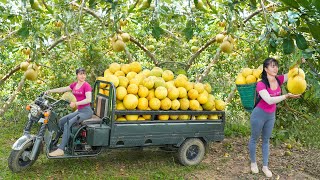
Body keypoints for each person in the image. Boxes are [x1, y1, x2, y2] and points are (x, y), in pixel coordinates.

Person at [248, 57, 302, 178]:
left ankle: (265, 166)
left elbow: (292, 72)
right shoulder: (260, 84)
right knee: (254, 138)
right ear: (266, 69)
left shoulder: (279, 80)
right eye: (272, 66)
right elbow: (269, 100)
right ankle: (253, 162)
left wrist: (299, 60)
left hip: (270, 116)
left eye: (276, 65)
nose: (275, 68)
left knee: (266, 140)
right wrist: (286, 96)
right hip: (259, 114)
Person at [46, 68, 93, 157]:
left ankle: (61, 149)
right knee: (61, 121)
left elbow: (88, 99)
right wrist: (50, 91)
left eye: (84, 74)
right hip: (79, 111)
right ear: (77, 75)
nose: (83, 76)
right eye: (80, 74)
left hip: (86, 112)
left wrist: (76, 103)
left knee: (68, 125)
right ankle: (57, 142)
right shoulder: (75, 85)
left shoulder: (86, 85)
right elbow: (63, 89)